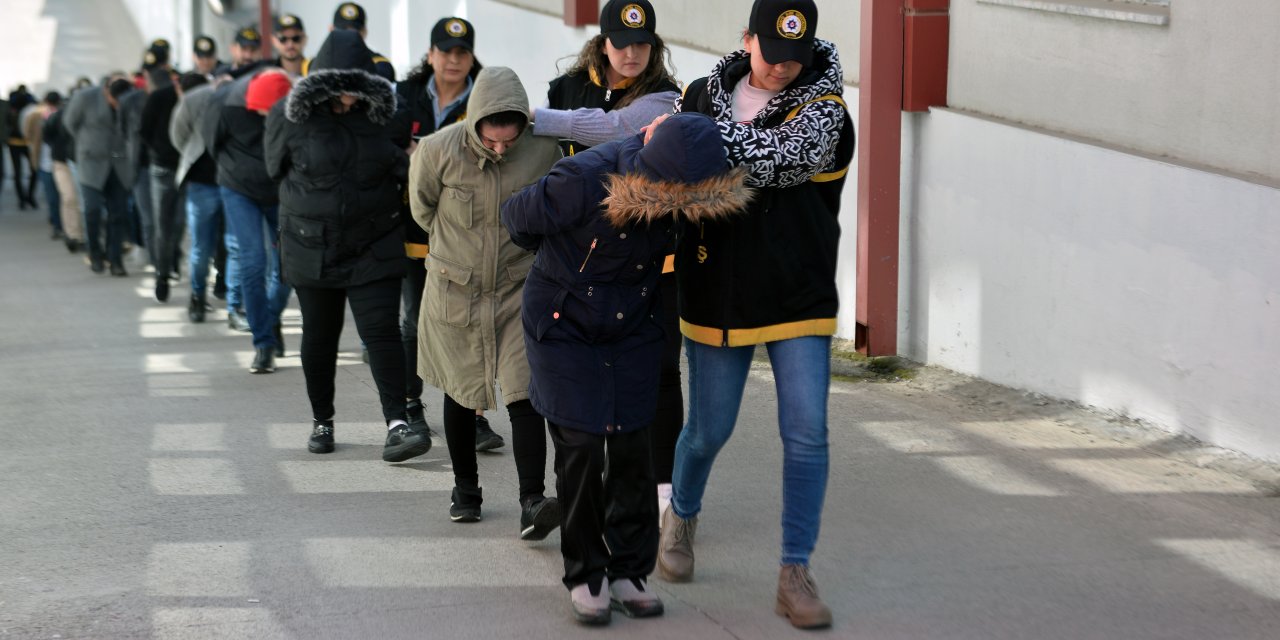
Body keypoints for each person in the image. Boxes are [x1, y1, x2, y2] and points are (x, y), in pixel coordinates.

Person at [654, 0, 855, 630]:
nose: (784, 68)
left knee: (807, 434)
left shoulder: (828, 114)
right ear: (747, 40)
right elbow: (671, 175)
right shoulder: (698, 92)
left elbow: (773, 158)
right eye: (773, 54)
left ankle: (794, 571)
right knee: (708, 431)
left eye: (796, 56)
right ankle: (680, 515)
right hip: (718, 292)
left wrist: (687, 141)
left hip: (799, 295)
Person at [503, 111, 748, 625]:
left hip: (633, 318)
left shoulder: (698, 193)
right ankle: (587, 573)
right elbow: (518, 218)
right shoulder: (584, 178)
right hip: (564, 320)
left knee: (634, 445)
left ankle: (628, 571)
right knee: (583, 446)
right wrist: (560, 261)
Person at [534, 0, 685, 519]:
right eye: (623, 43)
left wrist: (527, 117)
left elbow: (611, 128)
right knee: (579, 375)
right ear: (603, 44)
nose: (633, 53)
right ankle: (581, 489)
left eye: (643, 44)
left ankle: (665, 489)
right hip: (579, 263)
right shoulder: (566, 89)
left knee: (661, 372)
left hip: (649, 261)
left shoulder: (666, 97)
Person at [265, 30, 431, 463]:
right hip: (310, 244)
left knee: (381, 332)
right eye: (338, 85)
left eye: (355, 85)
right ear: (320, 81)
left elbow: (404, 165)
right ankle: (323, 419)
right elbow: (272, 166)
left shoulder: (383, 118)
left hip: (373, 241)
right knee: (320, 337)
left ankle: (398, 424)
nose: (347, 96)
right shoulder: (288, 118)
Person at [408, 66, 561, 533]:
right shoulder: (437, 150)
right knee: (461, 390)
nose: (500, 149)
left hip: (518, 288)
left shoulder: (543, 150)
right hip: (457, 289)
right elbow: (422, 209)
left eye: (508, 141)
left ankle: (532, 501)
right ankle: (466, 489)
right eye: (491, 141)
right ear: (474, 122)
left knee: (524, 392)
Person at [395, 17, 504, 451]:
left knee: (472, 325)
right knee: (413, 323)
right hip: (414, 228)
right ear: (430, 55)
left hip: (467, 234)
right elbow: (385, 143)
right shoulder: (405, 97)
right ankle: (410, 408)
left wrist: (424, 156)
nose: (454, 60)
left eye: (462, 53)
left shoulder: (484, 100)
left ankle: (473, 415)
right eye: (446, 52)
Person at [202, 67, 292, 372]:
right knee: (253, 262)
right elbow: (211, 143)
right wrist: (234, 170)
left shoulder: (295, 107)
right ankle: (263, 343)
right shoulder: (224, 104)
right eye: (261, 113)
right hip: (238, 189)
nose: (265, 118)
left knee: (287, 265)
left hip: (280, 190)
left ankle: (269, 317)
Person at [62, 76, 138, 276]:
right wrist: (88, 143)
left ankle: (116, 260)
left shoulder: (131, 100)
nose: (118, 105)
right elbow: (70, 123)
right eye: (114, 101)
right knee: (92, 210)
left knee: (118, 213)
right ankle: (95, 253)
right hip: (91, 163)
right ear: (106, 92)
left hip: (119, 165)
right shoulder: (85, 98)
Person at [169, 72, 225, 322]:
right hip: (202, 184)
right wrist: (192, 154)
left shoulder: (235, 97)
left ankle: (232, 300)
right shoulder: (193, 101)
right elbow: (178, 134)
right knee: (203, 247)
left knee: (234, 245)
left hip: (231, 183)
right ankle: (198, 296)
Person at [42, 93, 83, 252]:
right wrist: (59, 149)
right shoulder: (56, 118)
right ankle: (74, 235)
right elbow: (47, 136)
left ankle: (81, 234)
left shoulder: (84, 118)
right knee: (69, 197)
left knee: (80, 200)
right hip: (62, 163)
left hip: (81, 162)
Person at [23, 92, 62, 239]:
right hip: (44, 162)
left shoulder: (62, 115)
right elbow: (27, 132)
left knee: (60, 196)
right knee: (52, 197)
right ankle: (56, 224)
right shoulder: (36, 116)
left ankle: (59, 223)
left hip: (59, 162)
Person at [328, 3, 395, 82]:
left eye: (355, 31)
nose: (349, 35)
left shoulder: (380, 65)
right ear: (331, 29)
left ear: (365, 32)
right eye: (343, 30)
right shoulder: (314, 64)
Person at [7, 86, 38, 210]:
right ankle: (27, 197)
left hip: (16, 143)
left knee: (19, 173)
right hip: (23, 143)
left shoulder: (12, 106)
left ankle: (24, 199)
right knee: (31, 171)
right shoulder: (29, 105)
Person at [272, 14, 309, 78]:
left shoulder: (314, 71)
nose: (290, 45)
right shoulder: (268, 76)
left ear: (305, 39)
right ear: (274, 41)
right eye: (283, 39)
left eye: (296, 38)